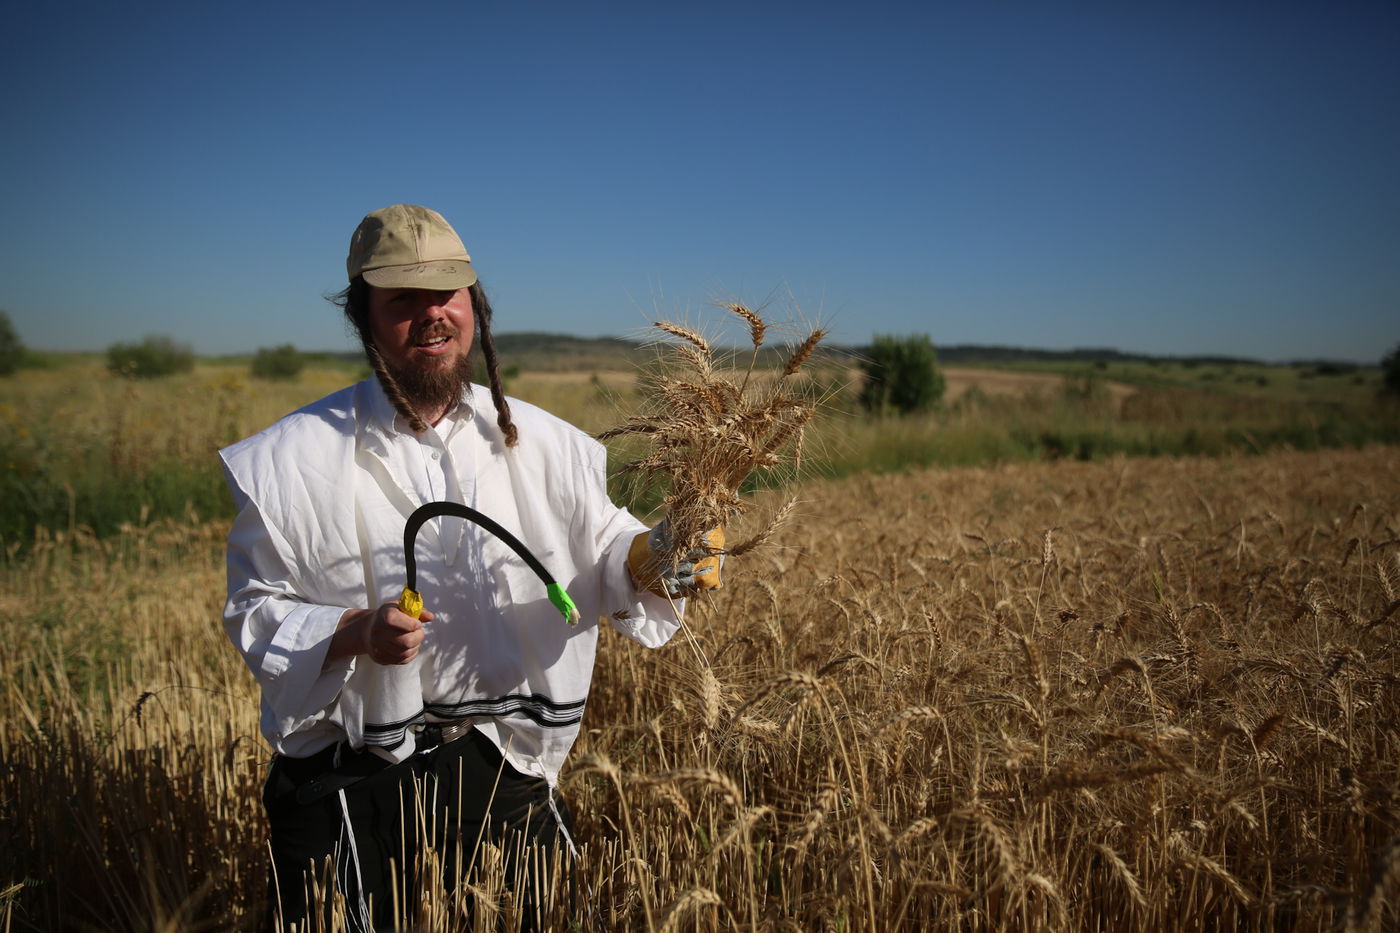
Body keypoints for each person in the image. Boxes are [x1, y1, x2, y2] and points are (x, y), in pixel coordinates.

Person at [220, 204, 721, 931]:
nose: (432, 316)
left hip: (502, 771)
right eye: (403, 300)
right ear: (365, 318)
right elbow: (254, 608)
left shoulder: (549, 444)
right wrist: (354, 630)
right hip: (347, 786)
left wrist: (655, 555)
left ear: (475, 305)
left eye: (447, 295)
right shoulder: (289, 460)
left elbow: (603, 550)